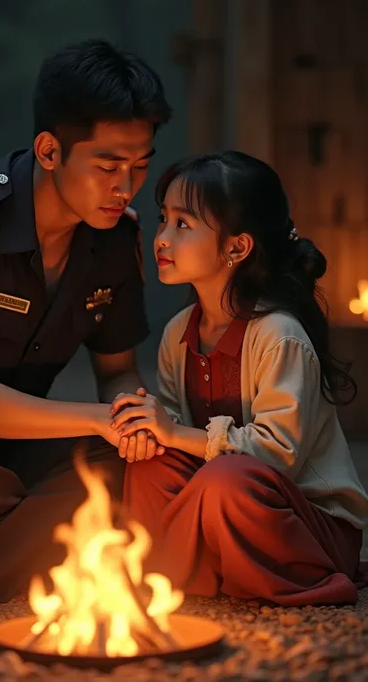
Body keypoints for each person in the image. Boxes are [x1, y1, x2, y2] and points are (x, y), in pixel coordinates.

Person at [0, 39, 171, 608]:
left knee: (138, 465)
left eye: (141, 165)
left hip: (11, 446)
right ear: (49, 151)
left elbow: (117, 370)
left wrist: (132, 417)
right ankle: (41, 528)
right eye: (108, 165)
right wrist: (99, 421)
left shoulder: (116, 238)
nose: (126, 186)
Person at [110, 151, 368, 606]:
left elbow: (276, 455)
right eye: (163, 219)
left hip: (306, 524)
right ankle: (172, 574)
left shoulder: (279, 336)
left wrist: (174, 432)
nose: (162, 239)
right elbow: (175, 435)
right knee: (149, 462)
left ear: (237, 247)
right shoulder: (178, 334)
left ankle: (204, 568)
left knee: (227, 479)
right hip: (217, 503)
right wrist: (151, 431)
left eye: (183, 225)